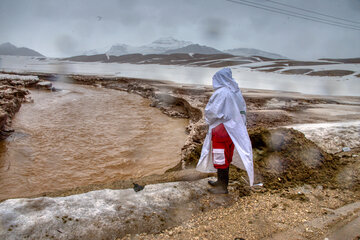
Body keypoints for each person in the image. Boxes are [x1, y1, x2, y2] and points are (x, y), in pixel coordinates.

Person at [196, 67, 254, 194]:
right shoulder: (235, 91)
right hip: (233, 130)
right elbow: (242, 110)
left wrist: (208, 119)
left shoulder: (222, 93)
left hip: (221, 129)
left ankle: (222, 187)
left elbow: (212, 112)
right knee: (226, 155)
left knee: (220, 156)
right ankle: (221, 182)